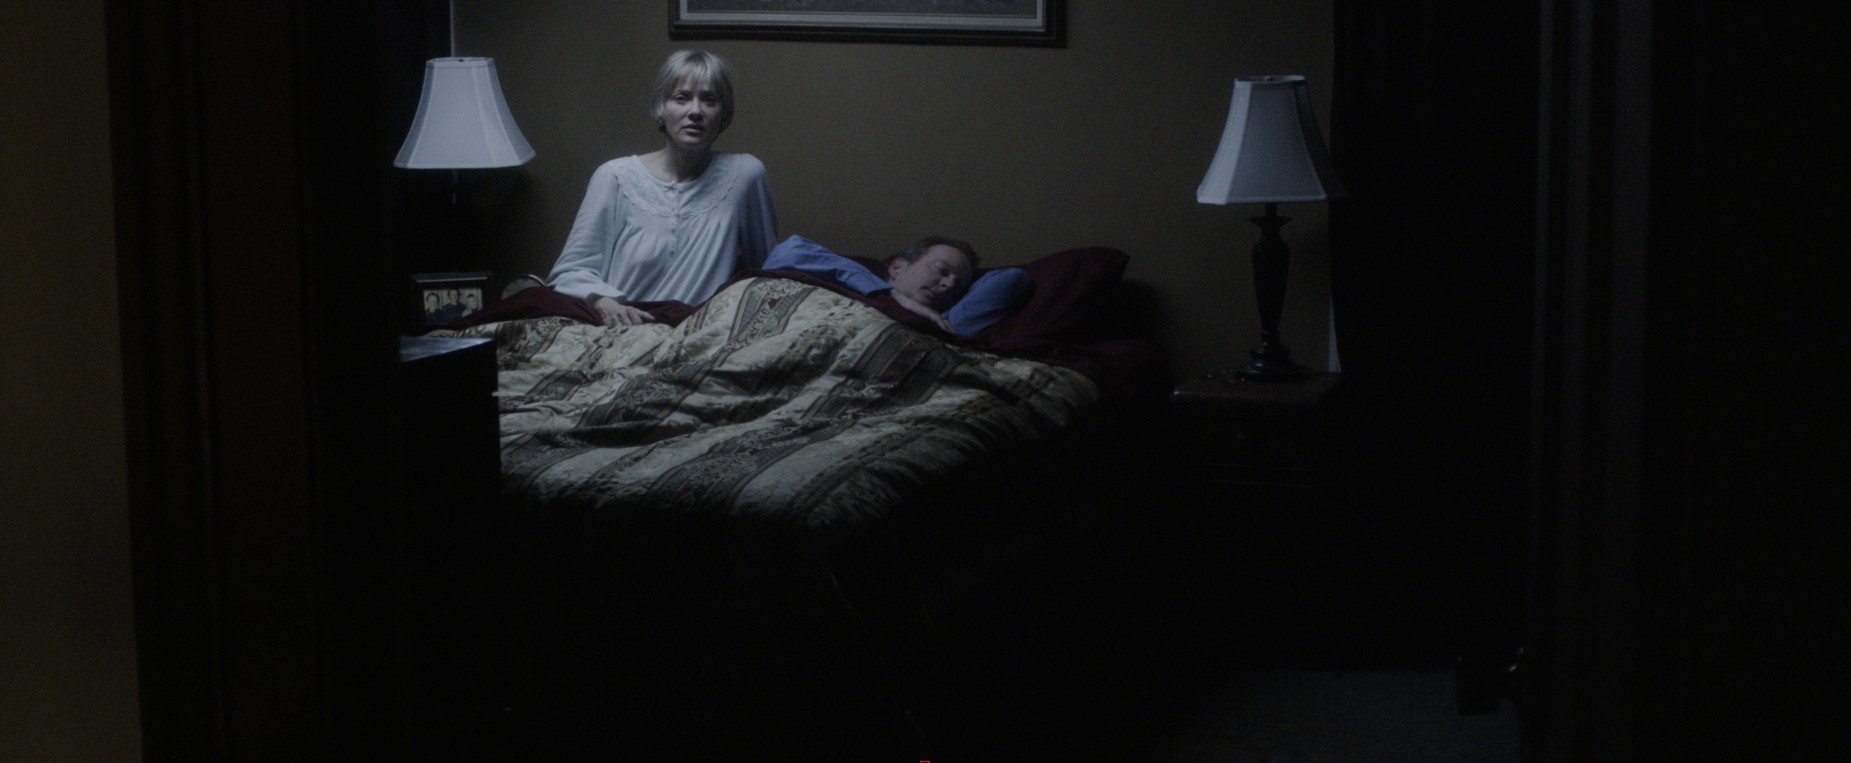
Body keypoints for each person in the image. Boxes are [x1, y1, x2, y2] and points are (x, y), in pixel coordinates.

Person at [546, 49, 777, 327]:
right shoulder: (614, 177)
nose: (695, 111)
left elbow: (767, 273)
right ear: (661, 108)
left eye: (709, 100)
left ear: (723, 112)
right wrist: (606, 303)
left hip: (697, 333)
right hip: (621, 330)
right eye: (681, 98)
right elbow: (569, 272)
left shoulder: (745, 175)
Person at [763, 234, 1033, 335]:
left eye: (959, 286)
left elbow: (1013, 280)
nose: (949, 284)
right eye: (942, 270)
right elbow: (788, 251)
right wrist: (891, 295)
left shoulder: (947, 325)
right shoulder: (851, 282)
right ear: (897, 267)